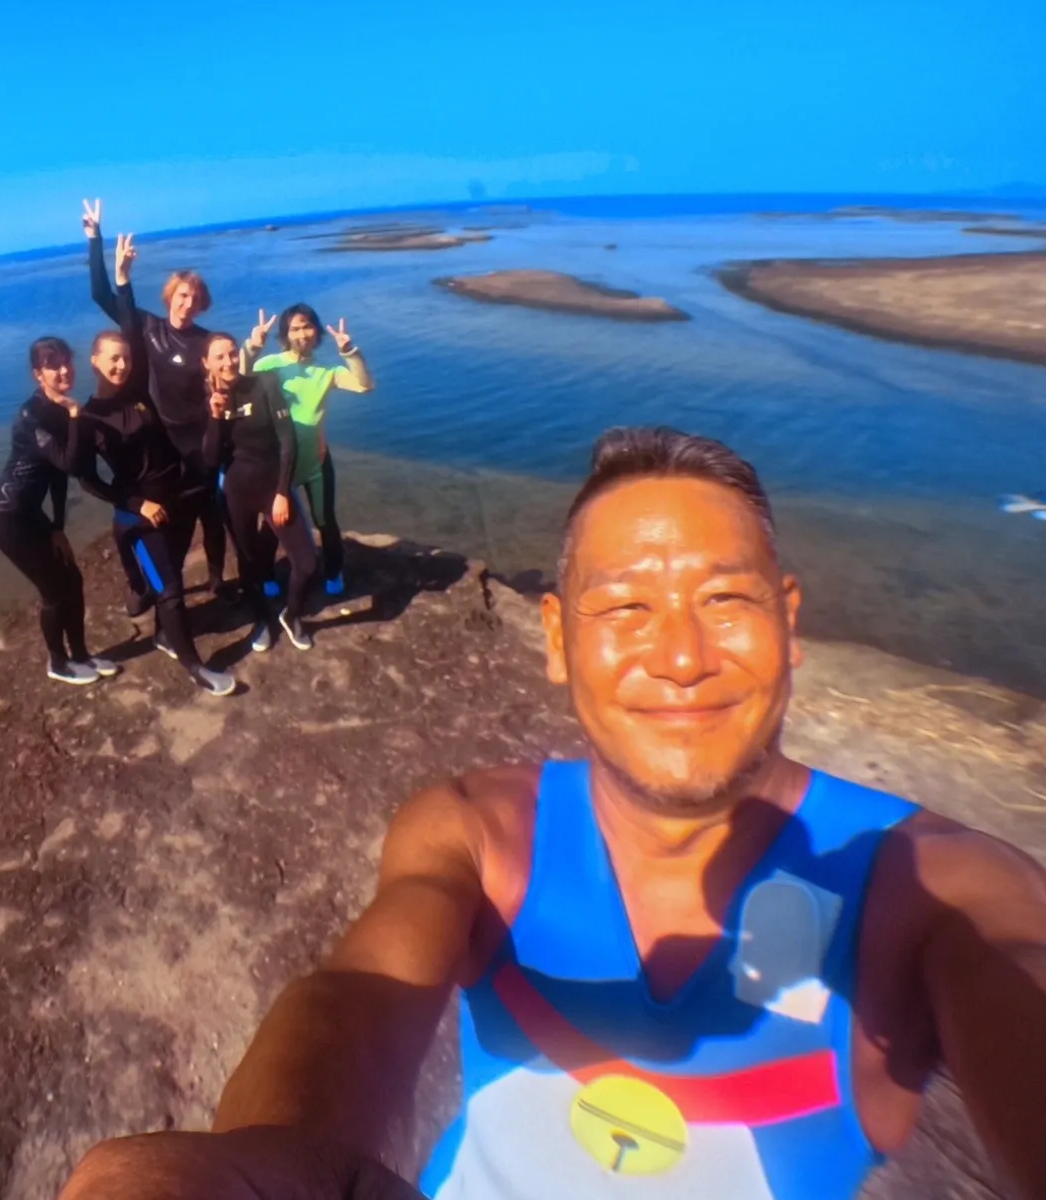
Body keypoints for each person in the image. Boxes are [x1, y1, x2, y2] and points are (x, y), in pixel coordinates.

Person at [59, 427, 1046, 1200]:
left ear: (789, 623)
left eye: (726, 601)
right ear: (558, 639)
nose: (681, 656)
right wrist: (281, 1163)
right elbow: (359, 996)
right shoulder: (481, 831)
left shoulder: (938, 888)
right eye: (624, 610)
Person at [75, 274, 237, 699]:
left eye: (125, 359)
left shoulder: (137, 394)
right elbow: (88, 478)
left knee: (176, 570)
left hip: (177, 496)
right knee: (171, 590)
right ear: (93, 362)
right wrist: (137, 504)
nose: (120, 365)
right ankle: (196, 667)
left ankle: (166, 636)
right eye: (110, 360)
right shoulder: (90, 417)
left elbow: (138, 336)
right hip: (141, 513)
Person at [85, 199, 230, 595]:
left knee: (212, 516)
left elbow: (228, 374)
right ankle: (164, 588)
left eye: (194, 298)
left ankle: (218, 579)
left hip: (200, 443)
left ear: (201, 303)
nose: (187, 303)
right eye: (181, 295)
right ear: (169, 298)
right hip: (163, 449)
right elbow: (101, 294)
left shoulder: (206, 341)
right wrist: (97, 241)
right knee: (173, 523)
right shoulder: (147, 328)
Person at [0, 337, 120, 686]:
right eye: (53, 365)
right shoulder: (32, 414)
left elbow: (58, 478)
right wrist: (75, 415)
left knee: (73, 580)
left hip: (31, 513)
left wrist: (58, 527)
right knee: (53, 591)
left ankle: (81, 655)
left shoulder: (59, 408)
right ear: (37, 374)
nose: (63, 370)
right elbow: (70, 463)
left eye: (66, 362)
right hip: (7, 515)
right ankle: (58, 664)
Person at [242, 303, 373, 595]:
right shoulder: (271, 366)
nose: (302, 334)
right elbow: (239, 376)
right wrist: (253, 346)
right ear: (286, 334)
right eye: (295, 328)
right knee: (274, 523)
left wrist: (350, 351)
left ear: (316, 331)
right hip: (280, 465)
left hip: (316, 460)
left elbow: (365, 386)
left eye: (307, 326)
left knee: (325, 520)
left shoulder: (327, 371)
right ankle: (266, 576)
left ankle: (334, 571)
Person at [202, 332, 319, 653]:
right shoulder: (210, 399)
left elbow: (288, 442)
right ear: (207, 364)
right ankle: (261, 621)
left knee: (306, 562)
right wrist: (214, 417)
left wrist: (282, 491)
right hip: (237, 491)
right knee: (248, 561)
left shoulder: (264, 383)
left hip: (273, 486)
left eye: (231, 353)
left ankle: (291, 615)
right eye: (219, 357)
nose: (228, 362)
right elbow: (211, 459)